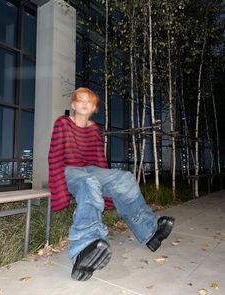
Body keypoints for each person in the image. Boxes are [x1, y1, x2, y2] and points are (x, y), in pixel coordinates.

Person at [48, 87, 175, 281]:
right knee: (88, 182)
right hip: (69, 171)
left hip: (91, 170)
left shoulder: (93, 130)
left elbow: (99, 162)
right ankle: (84, 248)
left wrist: (108, 196)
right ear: (73, 104)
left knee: (124, 178)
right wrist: (59, 193)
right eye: (79, 100)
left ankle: (149, 232)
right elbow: (55, 157)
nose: (83, 103)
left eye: (88, 101)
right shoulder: (63, 124)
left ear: (93, 108)